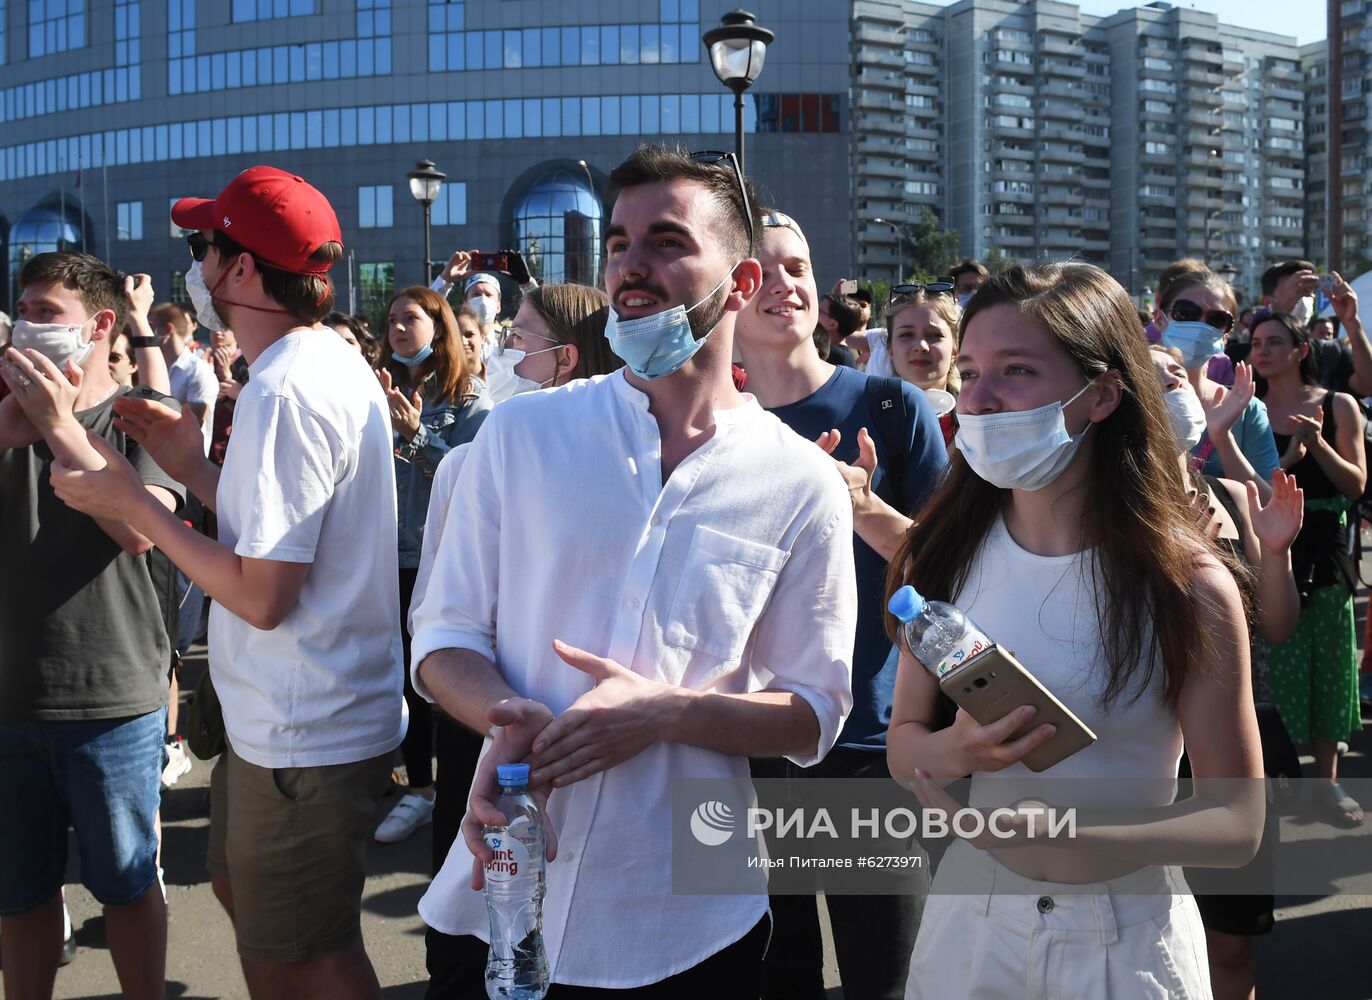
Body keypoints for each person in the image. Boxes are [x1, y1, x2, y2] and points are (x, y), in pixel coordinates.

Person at [409, 145, 857, 997]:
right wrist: (503, 715)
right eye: (618, 243)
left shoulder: (799, 483)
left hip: (687, 913)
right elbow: (443, 637)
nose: (631, 268)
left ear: (745, 280)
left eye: (666, 241)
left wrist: (665, 714)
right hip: (499, 891)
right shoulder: (519, 437)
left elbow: (814, 715)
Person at [49, 166, 406, 999]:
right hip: (289, 724)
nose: (194, 264)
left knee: (297, 957)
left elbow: (261, 595)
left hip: (303, 729)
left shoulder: (287, 386)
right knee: (260, 908)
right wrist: (191, 473)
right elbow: (284, 541)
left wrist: (136, 501)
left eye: (202, 246)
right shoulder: (313, 363)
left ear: (242, 269)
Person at [887, 262, 1263, 999]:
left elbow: (1238, 821)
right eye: (970, 370)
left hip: (1125, 943)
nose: (980, 397)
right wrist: (953, 750)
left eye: (1017, 370)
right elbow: (903, 743)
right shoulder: (944, 554)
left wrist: (1070, 838)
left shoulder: (1187, 584)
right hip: (970, 923)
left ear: (1102, 394)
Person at [734, 208, 946, 1000]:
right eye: (764, 267)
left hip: (867, 750)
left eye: (799, 264)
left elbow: (960, 581)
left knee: (884, 979)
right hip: (738, 750)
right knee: (767, 979)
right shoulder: (695, 423)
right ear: (729, 290)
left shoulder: (893, 409)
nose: (784, 282)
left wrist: (866, 509)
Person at [1, 251, 184, 1000]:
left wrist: (59, 428)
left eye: (47, 314)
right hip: (11, 699)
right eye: (22, 311)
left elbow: (144, 530)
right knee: (18, 892)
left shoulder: (143, 415)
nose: (27, 327)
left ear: (99, 325)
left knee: (128, 883)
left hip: (112, 696)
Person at [410, 281, 616, 891]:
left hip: (603, 755)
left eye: (518, 339)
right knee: (473, 928)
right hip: (481, 731)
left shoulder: (643, 470)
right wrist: (486, 707)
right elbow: (436, 622)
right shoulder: (466, 464)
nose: (504, 353)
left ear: (566, 358)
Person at [1152, 343, 1305, 1000]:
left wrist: (1274, 553)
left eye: (1176, 377)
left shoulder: (1237, 494)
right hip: (1157, 754)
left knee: (1232, 945)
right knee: (1160, 939)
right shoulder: (1108, 508)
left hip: (1241, 742)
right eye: (1149, 378)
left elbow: (1276, 625)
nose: (1168, 388)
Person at [371, 287, 492, 845]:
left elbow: (471, 480)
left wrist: (415, 436)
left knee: (435, 676)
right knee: (397, 672)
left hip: (435, 560)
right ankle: (415, 782)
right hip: (381, 556)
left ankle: (436, 790)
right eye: (392, 319)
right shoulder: (379, 389)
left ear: (439, 327)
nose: (397, 327)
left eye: (410, 318)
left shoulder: (470, 401)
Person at [1250, 311, 1367, 825]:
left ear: (1301, 350)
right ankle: (1277, 776)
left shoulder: (1337, 404)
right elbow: (1247, 483)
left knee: (1331, 663)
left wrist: (1316, 445)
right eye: (1255, 343)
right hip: (1270, 549)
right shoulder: (1247, 407)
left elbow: (1356, 485)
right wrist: (1291, 458)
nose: (1262, 351)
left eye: (1275, 342)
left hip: (1325, 545)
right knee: (1273, 667)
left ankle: (1327, 783)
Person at [1155, 269, 1279, 502]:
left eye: (1217, 320)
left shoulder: (1246, 409)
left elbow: (1269, 506)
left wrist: (1222, 437)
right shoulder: (1129, 397)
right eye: (1186, 312)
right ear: (1160, 319)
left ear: (1225, 335)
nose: (1201, 325)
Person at [884, 285, 962, 447]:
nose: (921, 346)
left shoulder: (978, 417)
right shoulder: (868, 418)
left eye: (935, 335)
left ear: (955, 348)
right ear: (890, 348)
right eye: (906, 335)